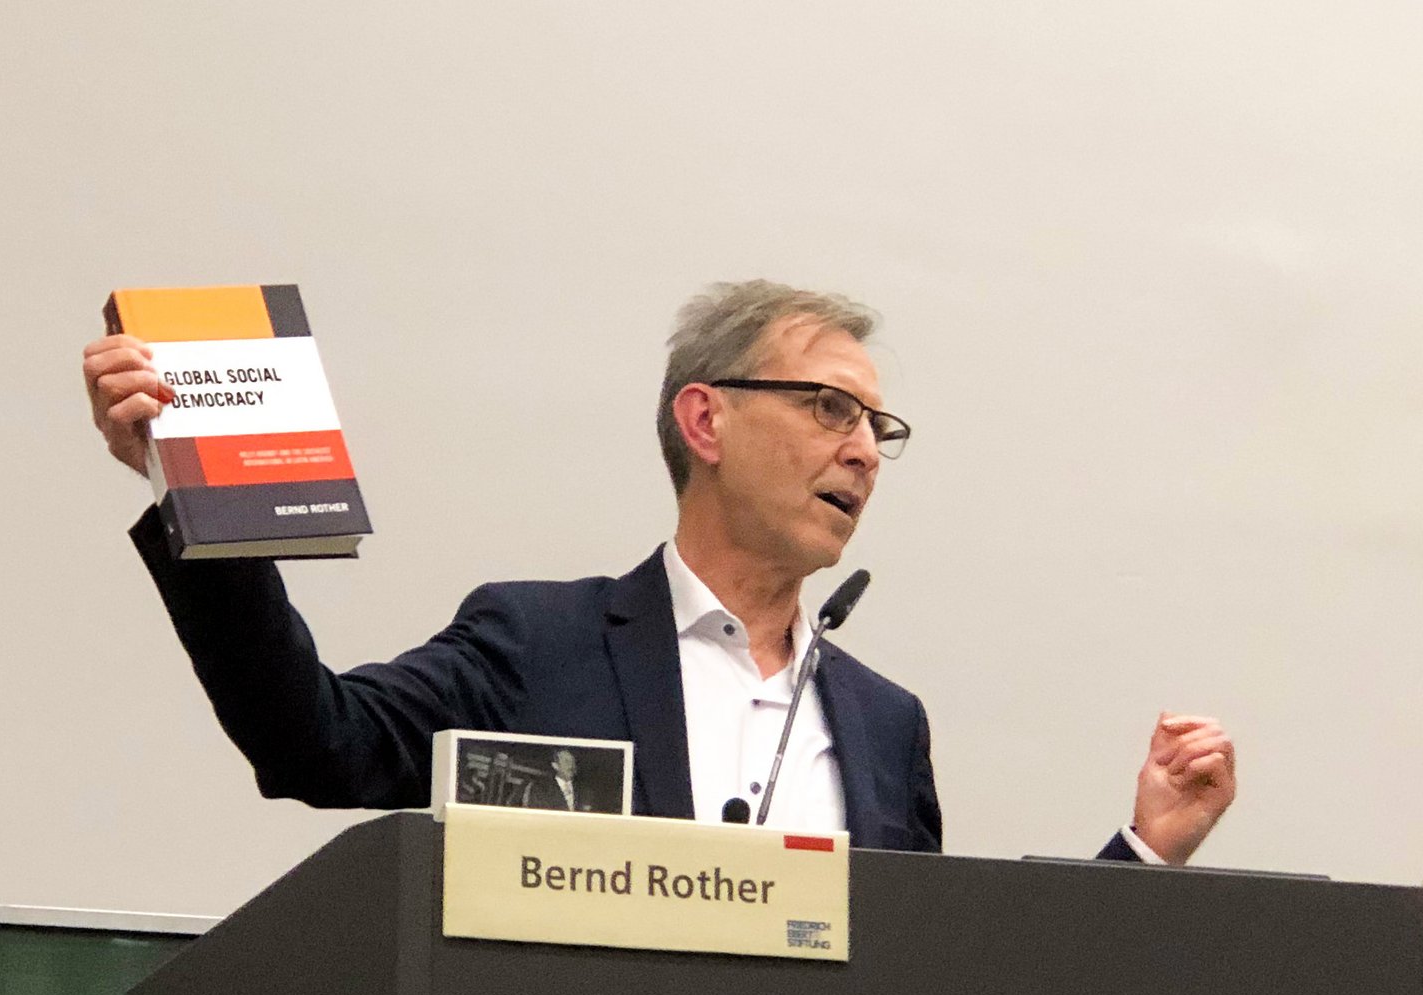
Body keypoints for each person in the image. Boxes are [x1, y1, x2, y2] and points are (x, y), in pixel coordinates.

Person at [83, 281, 1237, 863]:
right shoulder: (535, 646)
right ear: (706, 419)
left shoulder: (887, 726)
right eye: (828, 407)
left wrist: (1142, 850)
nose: (860, 449)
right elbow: (314, 742)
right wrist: (189, 483)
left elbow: (946, 994)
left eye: (876, 429)